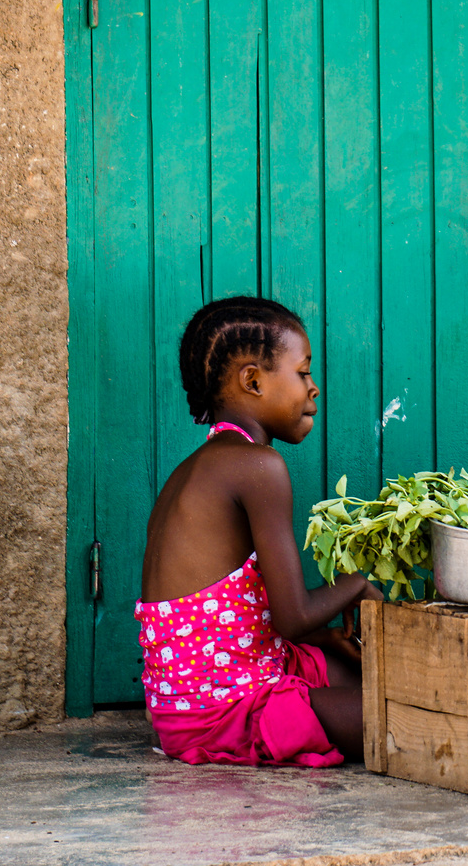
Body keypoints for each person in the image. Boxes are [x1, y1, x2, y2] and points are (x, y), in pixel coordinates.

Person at [136, 296, 381, 767]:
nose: (313, 389)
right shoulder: (257, 467)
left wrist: (324, 640)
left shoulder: (203, 465)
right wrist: (357, 585)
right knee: (411, 715)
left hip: (196, 700)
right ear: (252, 380)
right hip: (224, 709)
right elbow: (293, 617)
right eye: (303, 372)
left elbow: (276, 626)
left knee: (359, 666)